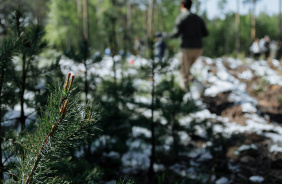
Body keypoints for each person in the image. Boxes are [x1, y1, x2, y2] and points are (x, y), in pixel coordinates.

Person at [164, 0, 208, 90]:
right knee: (186, 71)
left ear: (182, 5)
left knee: (184, 73)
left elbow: (175, 34)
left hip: (186, 48)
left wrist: (163, 35)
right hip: (198, 49)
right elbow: (205, 33)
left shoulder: (181, 17)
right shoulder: (198, 18)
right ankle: (198, 86)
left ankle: (184, 97)